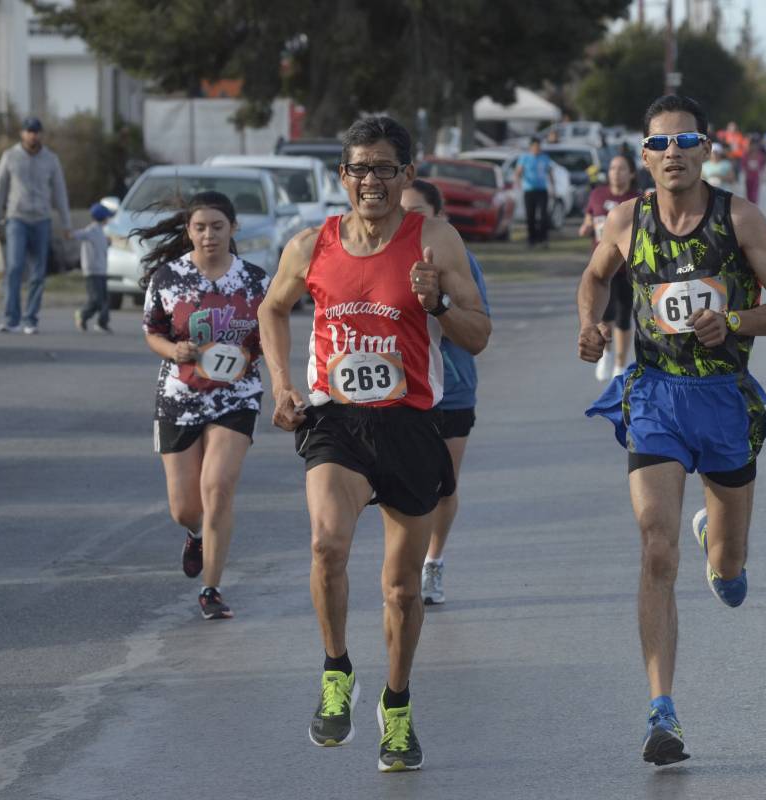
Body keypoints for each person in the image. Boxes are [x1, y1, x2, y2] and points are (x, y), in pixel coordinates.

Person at [576, 94, 766, 767]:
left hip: (724, 401)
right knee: (655, 548)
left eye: (685, 142)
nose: (671, 154)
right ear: (644, 156)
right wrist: (588, 325)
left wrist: (733, 321)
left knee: (728, 573)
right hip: (654, 397)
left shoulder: (739, 219)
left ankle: (719, 544)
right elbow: (593, 280)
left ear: (708, 150)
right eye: (659, 144)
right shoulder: (627, 220)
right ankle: (661, 711)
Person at [258, 116, 490, 772]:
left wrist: (439, 303)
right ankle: (337, 673)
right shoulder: (311, 245)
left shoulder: (435, 241)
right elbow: (272, 308)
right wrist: (281, 386)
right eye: (359, 168)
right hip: (336, 422)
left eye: (384, 168)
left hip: (411, 423)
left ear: (406, 176)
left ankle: (397, 704)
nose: (370, 181)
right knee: (326, 543)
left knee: (400, 591)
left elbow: (478, 334)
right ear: (342, 177)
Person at [140, 191, 270, 621]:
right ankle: (195, 534)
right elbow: (152, 331)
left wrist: (253, 356)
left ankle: (211, 588)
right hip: (180, 396)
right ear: (188, 231)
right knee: (185, 508)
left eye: (217, 226)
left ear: (233, 229)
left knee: (217, 488)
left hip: (236, 396)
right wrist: (172, 350)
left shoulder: (255, 281)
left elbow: (268, 337)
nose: (208, 235)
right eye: (199, 227)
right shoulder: (168, 277)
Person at [399, 179, 491, 606]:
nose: (407, 221)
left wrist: (438, 303)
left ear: (440, 218)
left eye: (417, 212)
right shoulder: (382, 257)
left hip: (451, 388)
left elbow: (477, 325)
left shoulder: (459, 260)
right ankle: (405, 567)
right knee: (405, 485)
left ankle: (432, 562)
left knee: (443, 487)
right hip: (401, 390)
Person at [0, 116, 71, 334]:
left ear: (41, 134)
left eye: (36, 131)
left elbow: (60, 192)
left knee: (38, 271)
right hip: (17, 218)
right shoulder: (10, 157)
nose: (33, 135)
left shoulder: (51, 159)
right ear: (22, 134)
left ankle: (30, 319)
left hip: (42, 220)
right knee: (15, 267)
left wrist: (66, 223)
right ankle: (11, 318)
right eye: (29, 131)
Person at [578, 155, 638, 381]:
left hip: (628, 268)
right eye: (613, 168)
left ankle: (621, 365)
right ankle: (607, 353)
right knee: (605, 315)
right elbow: (589, 217)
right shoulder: (598, 194)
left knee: (623, 318)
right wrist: (585, 227)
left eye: (622, 169)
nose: (616, 172)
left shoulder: (637, 199)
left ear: (631, 173)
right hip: (603, 267)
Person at [71, 202, 115, 333]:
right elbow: (79, 234)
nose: (109, 219)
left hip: (101, 270)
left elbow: (103, 246)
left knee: (105, 299)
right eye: (107, 216)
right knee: (96, 300)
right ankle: (82, 314)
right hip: (92, 271)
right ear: (103, 217)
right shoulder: (91, 230)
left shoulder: (101, 231)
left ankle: (102, 323)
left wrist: (108, 242)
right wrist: (69, 233)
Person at [513, 137, 554, 248]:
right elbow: (518, 172)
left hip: (542, 190)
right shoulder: (525, 158)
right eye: (535, 146)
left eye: (538, 146)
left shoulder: (544, 158)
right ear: (531, 147)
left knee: (543, 215)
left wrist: (552, 187)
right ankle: (532, 239)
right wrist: (519, 184)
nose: (537, 149)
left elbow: (550, 172)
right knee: (530, 216)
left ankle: (543, 239)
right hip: (529, 190)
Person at [743, 137, 766, 205]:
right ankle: (749, 205)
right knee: (748, 193)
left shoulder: (760, 155)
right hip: (748, 177)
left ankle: (754, 206)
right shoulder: (746, 154)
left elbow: (762, 165)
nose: (754, 146)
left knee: (755, 194)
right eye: (752, 145)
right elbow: (743, 164)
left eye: (756, 145)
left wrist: (763, 174)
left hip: (756, 177)